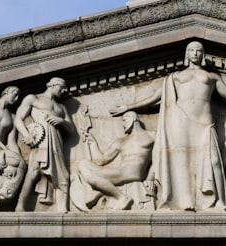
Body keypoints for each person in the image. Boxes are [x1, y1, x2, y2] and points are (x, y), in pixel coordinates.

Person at [112, 41, 226, 211]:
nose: (195, 53)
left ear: (203, 54)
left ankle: (212, 202)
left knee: (212, 160)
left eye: (198, 50)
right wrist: (129, 107)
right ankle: (184, 201)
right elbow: (155, 98)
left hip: (205, 123)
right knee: (180, 160)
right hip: (179, 121)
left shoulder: (212, 77)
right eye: (191, 50)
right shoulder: (175, 77)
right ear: (187, 54)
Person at [72, 111, 156, 210]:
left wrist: (150, 178)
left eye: (124, 120)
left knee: (91, 176)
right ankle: (101, 191)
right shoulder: (121, 141)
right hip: (120, 171)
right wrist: (92, 142)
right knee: (83, 164)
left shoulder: (152, 135)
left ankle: (120, 197)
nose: (123, 124)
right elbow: (101, 160)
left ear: (133, 118)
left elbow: (159, 158)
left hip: (132, 172)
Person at [14, 77, 74, 212]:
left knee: (63, 175)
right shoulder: (33, 98)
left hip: (56, 143)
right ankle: (20, 206)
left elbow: (71, 129)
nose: (64, 91)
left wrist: (61, 121)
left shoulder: (61, 107)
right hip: (41, 141)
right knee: (33, 172)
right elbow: (18, 119)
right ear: (53, 85)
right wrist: (26, 135)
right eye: (62, 87)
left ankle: (62, 209)